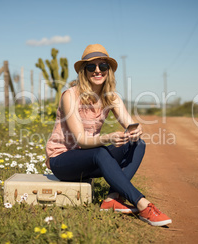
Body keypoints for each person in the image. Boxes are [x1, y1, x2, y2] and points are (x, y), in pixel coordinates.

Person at [45, 44, 172, 227]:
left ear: (108, 71)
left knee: (138, 144)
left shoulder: (111, 97)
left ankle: (112, 198)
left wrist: (135, 130)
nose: (97, 71)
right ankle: (142, 204)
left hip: (89, 159)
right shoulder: (70, 96)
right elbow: (81, 140)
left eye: (102, 66)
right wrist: (108, 138)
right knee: (100, 152)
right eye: (91, 67)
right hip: (62, 160)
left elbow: (129, 123)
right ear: (83, 71)